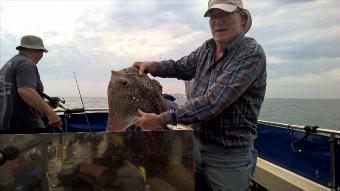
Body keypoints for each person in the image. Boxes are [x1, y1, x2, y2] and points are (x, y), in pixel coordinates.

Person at [132, 0, 267, 190]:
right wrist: (153, 66)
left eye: (225, 15)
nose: (217, 21)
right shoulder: (207, 48)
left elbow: (213, 102)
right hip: (196, 145)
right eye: (213, 16)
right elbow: (181, 67)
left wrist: (160, 120)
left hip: (228, 156)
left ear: (243, 19)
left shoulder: (250, 53)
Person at [0, 35, 62, 133]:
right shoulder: (26, 63)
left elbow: (16, 99)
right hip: (26, 127)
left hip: (6, 127)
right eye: (42, 52)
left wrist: (48, 104)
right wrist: (51, 114)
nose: (42, 55)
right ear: (37, 51)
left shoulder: (7, 66)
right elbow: (25, 91)